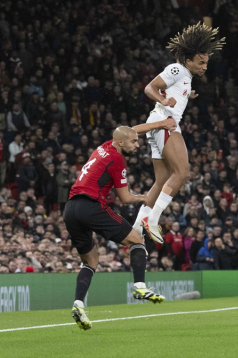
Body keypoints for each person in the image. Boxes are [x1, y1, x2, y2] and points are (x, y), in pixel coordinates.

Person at [64, 120, 175, 330]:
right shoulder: (117, 160)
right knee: (136, 240)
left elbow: (131, 131)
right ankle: (140, 286)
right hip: (91, 206)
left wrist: (160, 123)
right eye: (133, 143)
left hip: (70, 209)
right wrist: (142, 198)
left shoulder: (104, 147)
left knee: (91, 261)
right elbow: (124, 198)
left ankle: (78, 304)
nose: (137, 145)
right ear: (121, 142)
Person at [132, 23, 225, 243]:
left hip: (160, 126)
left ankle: (136, 227)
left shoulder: (186, 76)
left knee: (161, 180)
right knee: (182, 173)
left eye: (206, 63)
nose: (204, 67)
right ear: (189, 60)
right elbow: (149, 88)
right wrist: (164, 99)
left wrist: (186, 95)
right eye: (200, 63)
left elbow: (173, 90)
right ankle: (153, 219)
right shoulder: (178, 69)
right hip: (165, 124)